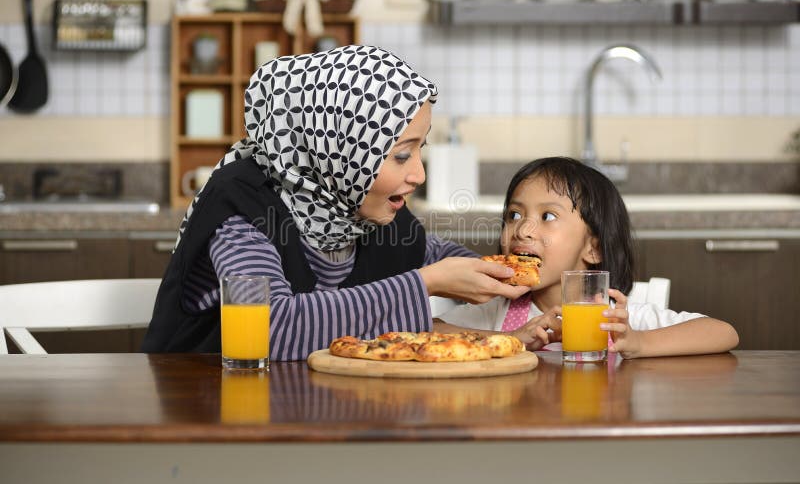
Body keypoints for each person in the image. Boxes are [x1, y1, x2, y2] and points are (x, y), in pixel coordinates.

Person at [141, 45, 527, 359]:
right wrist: (426, 283)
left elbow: (437, 257)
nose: (418, 175)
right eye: (400, 155)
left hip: (316, 415)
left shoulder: (361, 207)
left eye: (419, 150)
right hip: (210, 418)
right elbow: (270, 327)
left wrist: (522, 280)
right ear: (340, 151)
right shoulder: (242, 210)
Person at [435, 157, 739, 359]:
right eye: (514, 214)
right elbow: (426, 329)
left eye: (548, 216)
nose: (523, 230)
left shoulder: (616, 317)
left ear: (593, 248)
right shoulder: (497, 313)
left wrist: (639, 343)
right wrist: (513, 338)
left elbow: (723, 332)